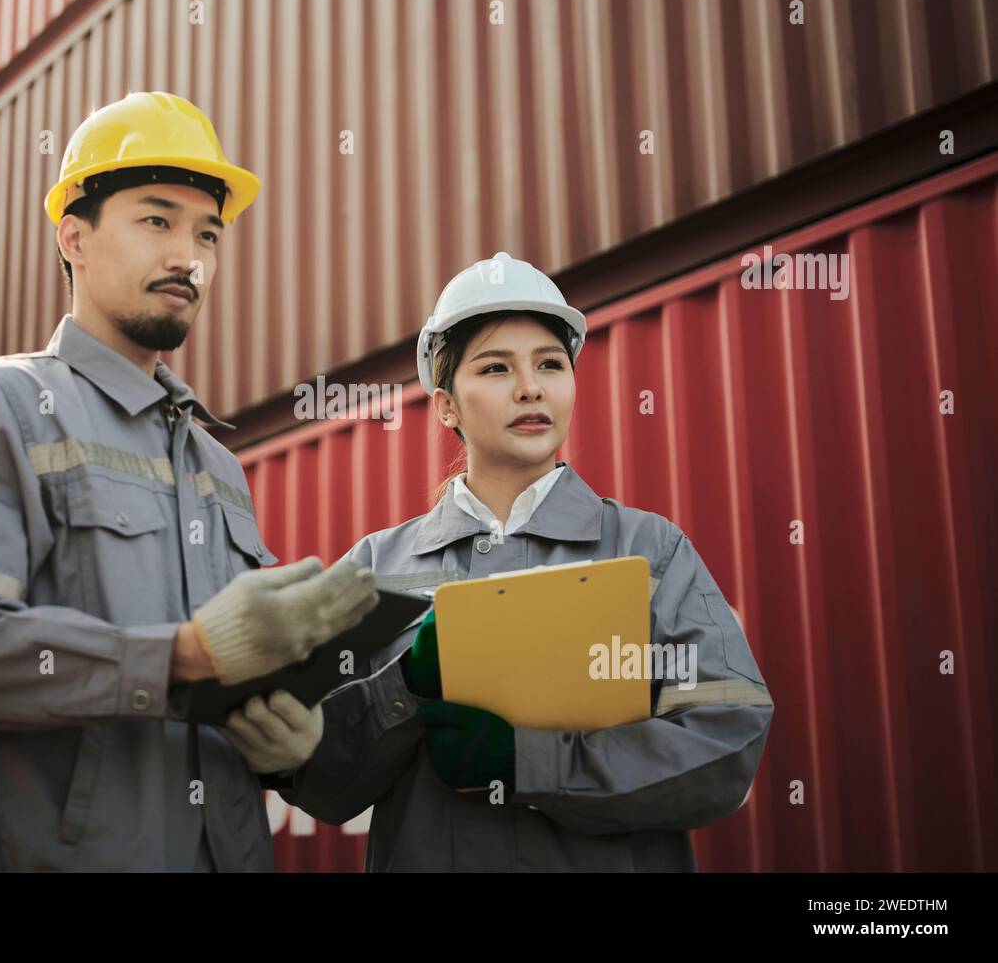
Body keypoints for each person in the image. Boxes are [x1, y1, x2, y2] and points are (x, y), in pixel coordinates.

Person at [0, 91, 376, 872]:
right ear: (73, 237)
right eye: (157, 221)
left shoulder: (216, 464)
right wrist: (181, 655)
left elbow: (233, 696)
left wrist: (294, 746)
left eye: (207, 234)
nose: (190, 257)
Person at [265, 251, 773, 871]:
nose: (531, 386)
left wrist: (532, 763)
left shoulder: (649, 550)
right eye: (496, 367)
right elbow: (318, 777)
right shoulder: (374, 568)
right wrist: (405, 690)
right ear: (447, 405)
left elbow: (725, 741)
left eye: (550, 364)